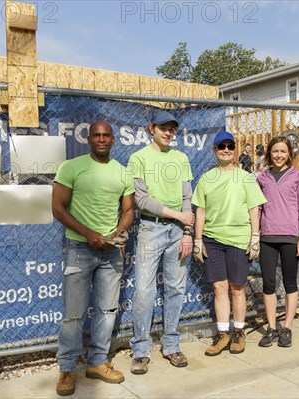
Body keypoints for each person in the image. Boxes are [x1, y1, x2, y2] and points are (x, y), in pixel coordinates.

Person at [52, 121, 135, 396]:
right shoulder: (71, 167)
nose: (101, 139)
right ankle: (66, 368)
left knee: (107, 310)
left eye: (106, 135)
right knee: (73, 314)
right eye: (97, 135)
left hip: (111, 251)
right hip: (79, 248)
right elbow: (58, 208)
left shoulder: (123, 173)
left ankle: (98, 362)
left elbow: (129, 211)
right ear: (89, 139)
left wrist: (118, 232)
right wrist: (88, 233)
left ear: (113, 140)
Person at [128, 110, 195, 375]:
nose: (168, 133)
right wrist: (178, 215)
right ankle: (141, 350)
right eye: (163, 128)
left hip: (179, 232)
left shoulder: (181, 157)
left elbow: (187, 197)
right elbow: (141, 200)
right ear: (151, 129)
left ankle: (171, 345)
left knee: (175, 288)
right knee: (144, 290)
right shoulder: (138, 158)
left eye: (172, 129)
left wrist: (187, 230)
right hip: (149, 229)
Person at [192, 130, 266, 356]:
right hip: (213, 240)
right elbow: (201, 210)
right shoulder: (207, 178)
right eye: (221, 146)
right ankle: (223, 334)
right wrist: (197, 239)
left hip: (238, 240)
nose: (226, 149)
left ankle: (239, 332)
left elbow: (255, 208)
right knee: (219, 288)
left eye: (230, 146)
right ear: (214, 150)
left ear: (235, 150)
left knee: (237, 288)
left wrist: (255, 237)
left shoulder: (245, 178)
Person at [256, 136, 299, 348]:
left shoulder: (297, 177)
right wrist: (255, 233)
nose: (279, 155)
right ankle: (272, 327)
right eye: (275, 151)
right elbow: (257, 208)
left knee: (289, 283)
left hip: (290, 237)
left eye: (283, 152)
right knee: (268, 283)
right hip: (267, 237)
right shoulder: (262, 178)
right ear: (269, 153)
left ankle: (287, 327)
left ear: (289, 154)